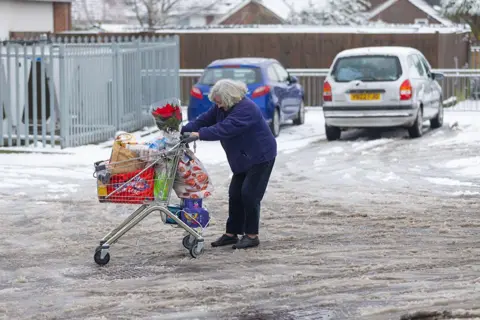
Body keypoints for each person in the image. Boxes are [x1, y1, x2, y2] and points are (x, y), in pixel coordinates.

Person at [181, 79, 277, 249]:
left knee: (249, 194)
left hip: (260, 156)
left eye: (220, 102)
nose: (217, 106)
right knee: (235, 194)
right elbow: (204, 120)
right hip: (241, 158)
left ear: (230, 99)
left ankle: (252, 235)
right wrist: (184, 130)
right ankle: (231, 233)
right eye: (216, 103)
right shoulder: (221, 107)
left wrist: (198, 135)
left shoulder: (247, 109)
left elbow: (225, 128)